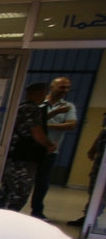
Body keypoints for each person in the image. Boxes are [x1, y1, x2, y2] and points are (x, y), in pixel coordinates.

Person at [0, 82, 53, 211]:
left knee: (7, 189)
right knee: (20, 192)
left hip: (13, 156)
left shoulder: (20, 107)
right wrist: (49, 145)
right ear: (38, 94)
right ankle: (8, 219)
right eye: (44, 93)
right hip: (22, 158)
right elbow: (37, 133)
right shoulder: (31, 109)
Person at [31, 76, 77, 220]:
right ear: (52, 87)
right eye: (62, 87)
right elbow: (29, 121)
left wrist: (43, 125)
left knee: (42, 183)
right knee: (21, 181)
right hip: (29, 149)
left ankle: (37, 211)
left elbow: (71, 125)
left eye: (67, 87)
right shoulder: (38, 103)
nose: (65, 90)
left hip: (49, 151)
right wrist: (43, 124)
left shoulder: (68, 107)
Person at [67, 113, 106, 227]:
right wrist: (93, 150)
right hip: (99, 165)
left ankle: (93, 218)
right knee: (94, 191)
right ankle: (88, 217)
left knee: (102, 194)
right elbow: (101, 136)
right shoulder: (104, 130)